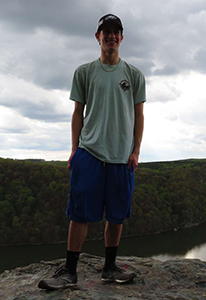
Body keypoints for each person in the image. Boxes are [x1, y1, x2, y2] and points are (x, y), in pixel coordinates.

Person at [38, 13, 146, 290]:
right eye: (105, 31)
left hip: (122, 156)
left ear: (121, 37)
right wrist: (74, 149)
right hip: (90, 152)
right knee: (80, 213)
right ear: (97, 37)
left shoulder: (134, 75)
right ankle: (69, 272)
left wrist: (136, 151)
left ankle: (110, 268)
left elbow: (139, 115)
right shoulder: (84, 72)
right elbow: (77, 113)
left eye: (115, 31)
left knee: (116, 215)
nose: (110, 36)